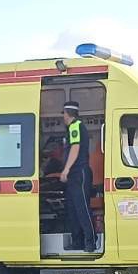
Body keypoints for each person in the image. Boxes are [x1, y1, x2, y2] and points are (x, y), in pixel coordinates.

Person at [58, 102, 95, 252]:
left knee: (82, 208)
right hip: (74, 175)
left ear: (68, 114)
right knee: (72, 209)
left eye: (63, 113)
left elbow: (75, 147)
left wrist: (66, 170)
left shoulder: (76, 126)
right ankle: (77, 241)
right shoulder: (72, 128)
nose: (62, 116)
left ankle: (90, 242)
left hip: (79, 172)